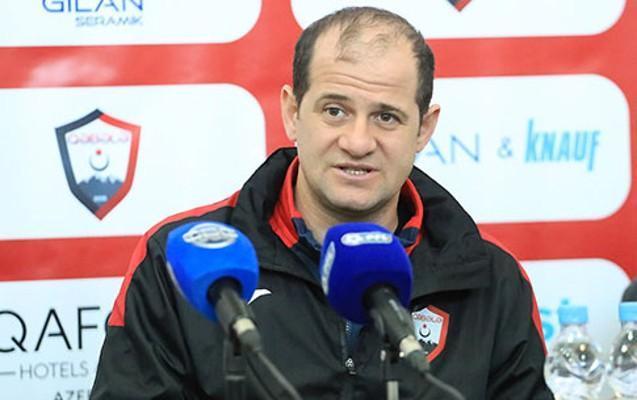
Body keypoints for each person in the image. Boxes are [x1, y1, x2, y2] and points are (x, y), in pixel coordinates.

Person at [90, 6, 553, 399]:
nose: (357, 141)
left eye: (386, 117)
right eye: (335, 111)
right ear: (293, 113)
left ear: (424, 129)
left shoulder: (491, 276)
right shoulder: (178, 259)